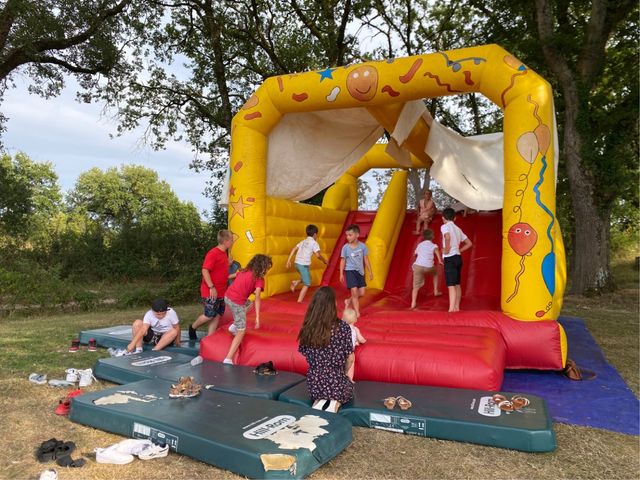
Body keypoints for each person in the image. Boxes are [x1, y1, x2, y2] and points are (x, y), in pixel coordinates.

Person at [298, 287, 355, 413]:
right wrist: (344, 374)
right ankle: (335, 401)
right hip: (337, 383)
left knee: (322, 386)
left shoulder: (308, 327)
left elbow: (306, 354)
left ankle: (319, 399)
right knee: (347, 385)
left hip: (315, 383)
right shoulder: (343, 327)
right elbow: (350, 358)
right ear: (332, 305)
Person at [223, 254, 272, 365]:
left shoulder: (243, 271)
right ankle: (228, 359)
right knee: (242, 331)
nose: (267, 270)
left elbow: (233, 276)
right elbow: (258, 298)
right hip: (236, 302)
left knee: (249, 304)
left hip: (228, 296)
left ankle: (234, 325)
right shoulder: (259, 279)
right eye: (267, 268)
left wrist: (224, 278)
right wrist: (258, 318)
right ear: (262, 266)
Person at [189, 229, 234, 340]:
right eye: (231, 239)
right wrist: (211, 287)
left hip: (221, 291)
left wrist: (228, 264)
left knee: (217, 314)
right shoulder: (213, 253)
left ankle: (210, 338)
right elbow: (205, 270)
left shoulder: (224, 253)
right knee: (209, 314)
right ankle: (193, 327)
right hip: (210, 290)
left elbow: (220, 271)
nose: (233, 242)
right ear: (226, 241)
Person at [440, 207, 472, 312]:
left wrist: (447, 248)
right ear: (455, 218)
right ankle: (457, 307)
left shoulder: (444, 226)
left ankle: (450, 310)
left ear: (443, 218)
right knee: (457, 284)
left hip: (449, 258)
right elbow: (469, 243)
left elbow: (447, 237)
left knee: (451, 285)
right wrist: (459, 250)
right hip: (458, 258)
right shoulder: (458, 229)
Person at [286, 224, 328, 303]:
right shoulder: (314, 243)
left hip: (297, 264)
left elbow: (294, 249)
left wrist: (288, 260)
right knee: (307, 283)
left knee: (308, 278)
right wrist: (324, 260)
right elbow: (318, 255)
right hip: (303, 265)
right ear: (315, 234)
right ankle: (299, 301)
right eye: (317, 235)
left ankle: (296, 282)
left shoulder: (303, 241)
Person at [339, 224, 373, 318]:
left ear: (357, 235)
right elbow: (343, 260)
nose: (348, 237)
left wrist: (370, 271)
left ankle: (348, 300)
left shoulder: (363, 246)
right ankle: (357, 312)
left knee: (361, 293)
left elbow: (366, 259)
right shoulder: (345, 247)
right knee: (354, 290)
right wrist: (341, 273)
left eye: (350, 235)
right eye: (347, 235)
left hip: (360, 272)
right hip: (350, 270)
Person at [411, 228, 443, 309]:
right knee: (435, 274)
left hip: (418, 266)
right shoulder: (433, 245)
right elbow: (437, 252)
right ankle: (435, 291)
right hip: (429, 267)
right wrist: (440, 261)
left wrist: (417, 255)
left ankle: (413, 303)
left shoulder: (420, 244)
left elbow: (415, 254)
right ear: (432, 237)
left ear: (423, 237)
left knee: (415, 287)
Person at [342, 308, 366, 382]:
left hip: (340, 349)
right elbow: (361, 340)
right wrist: (364, 341)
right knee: (351, 362)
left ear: (342, 319)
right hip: (348, 350)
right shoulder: (355, 329)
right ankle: (349, 378)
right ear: (355, 320)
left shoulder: (340, 328)